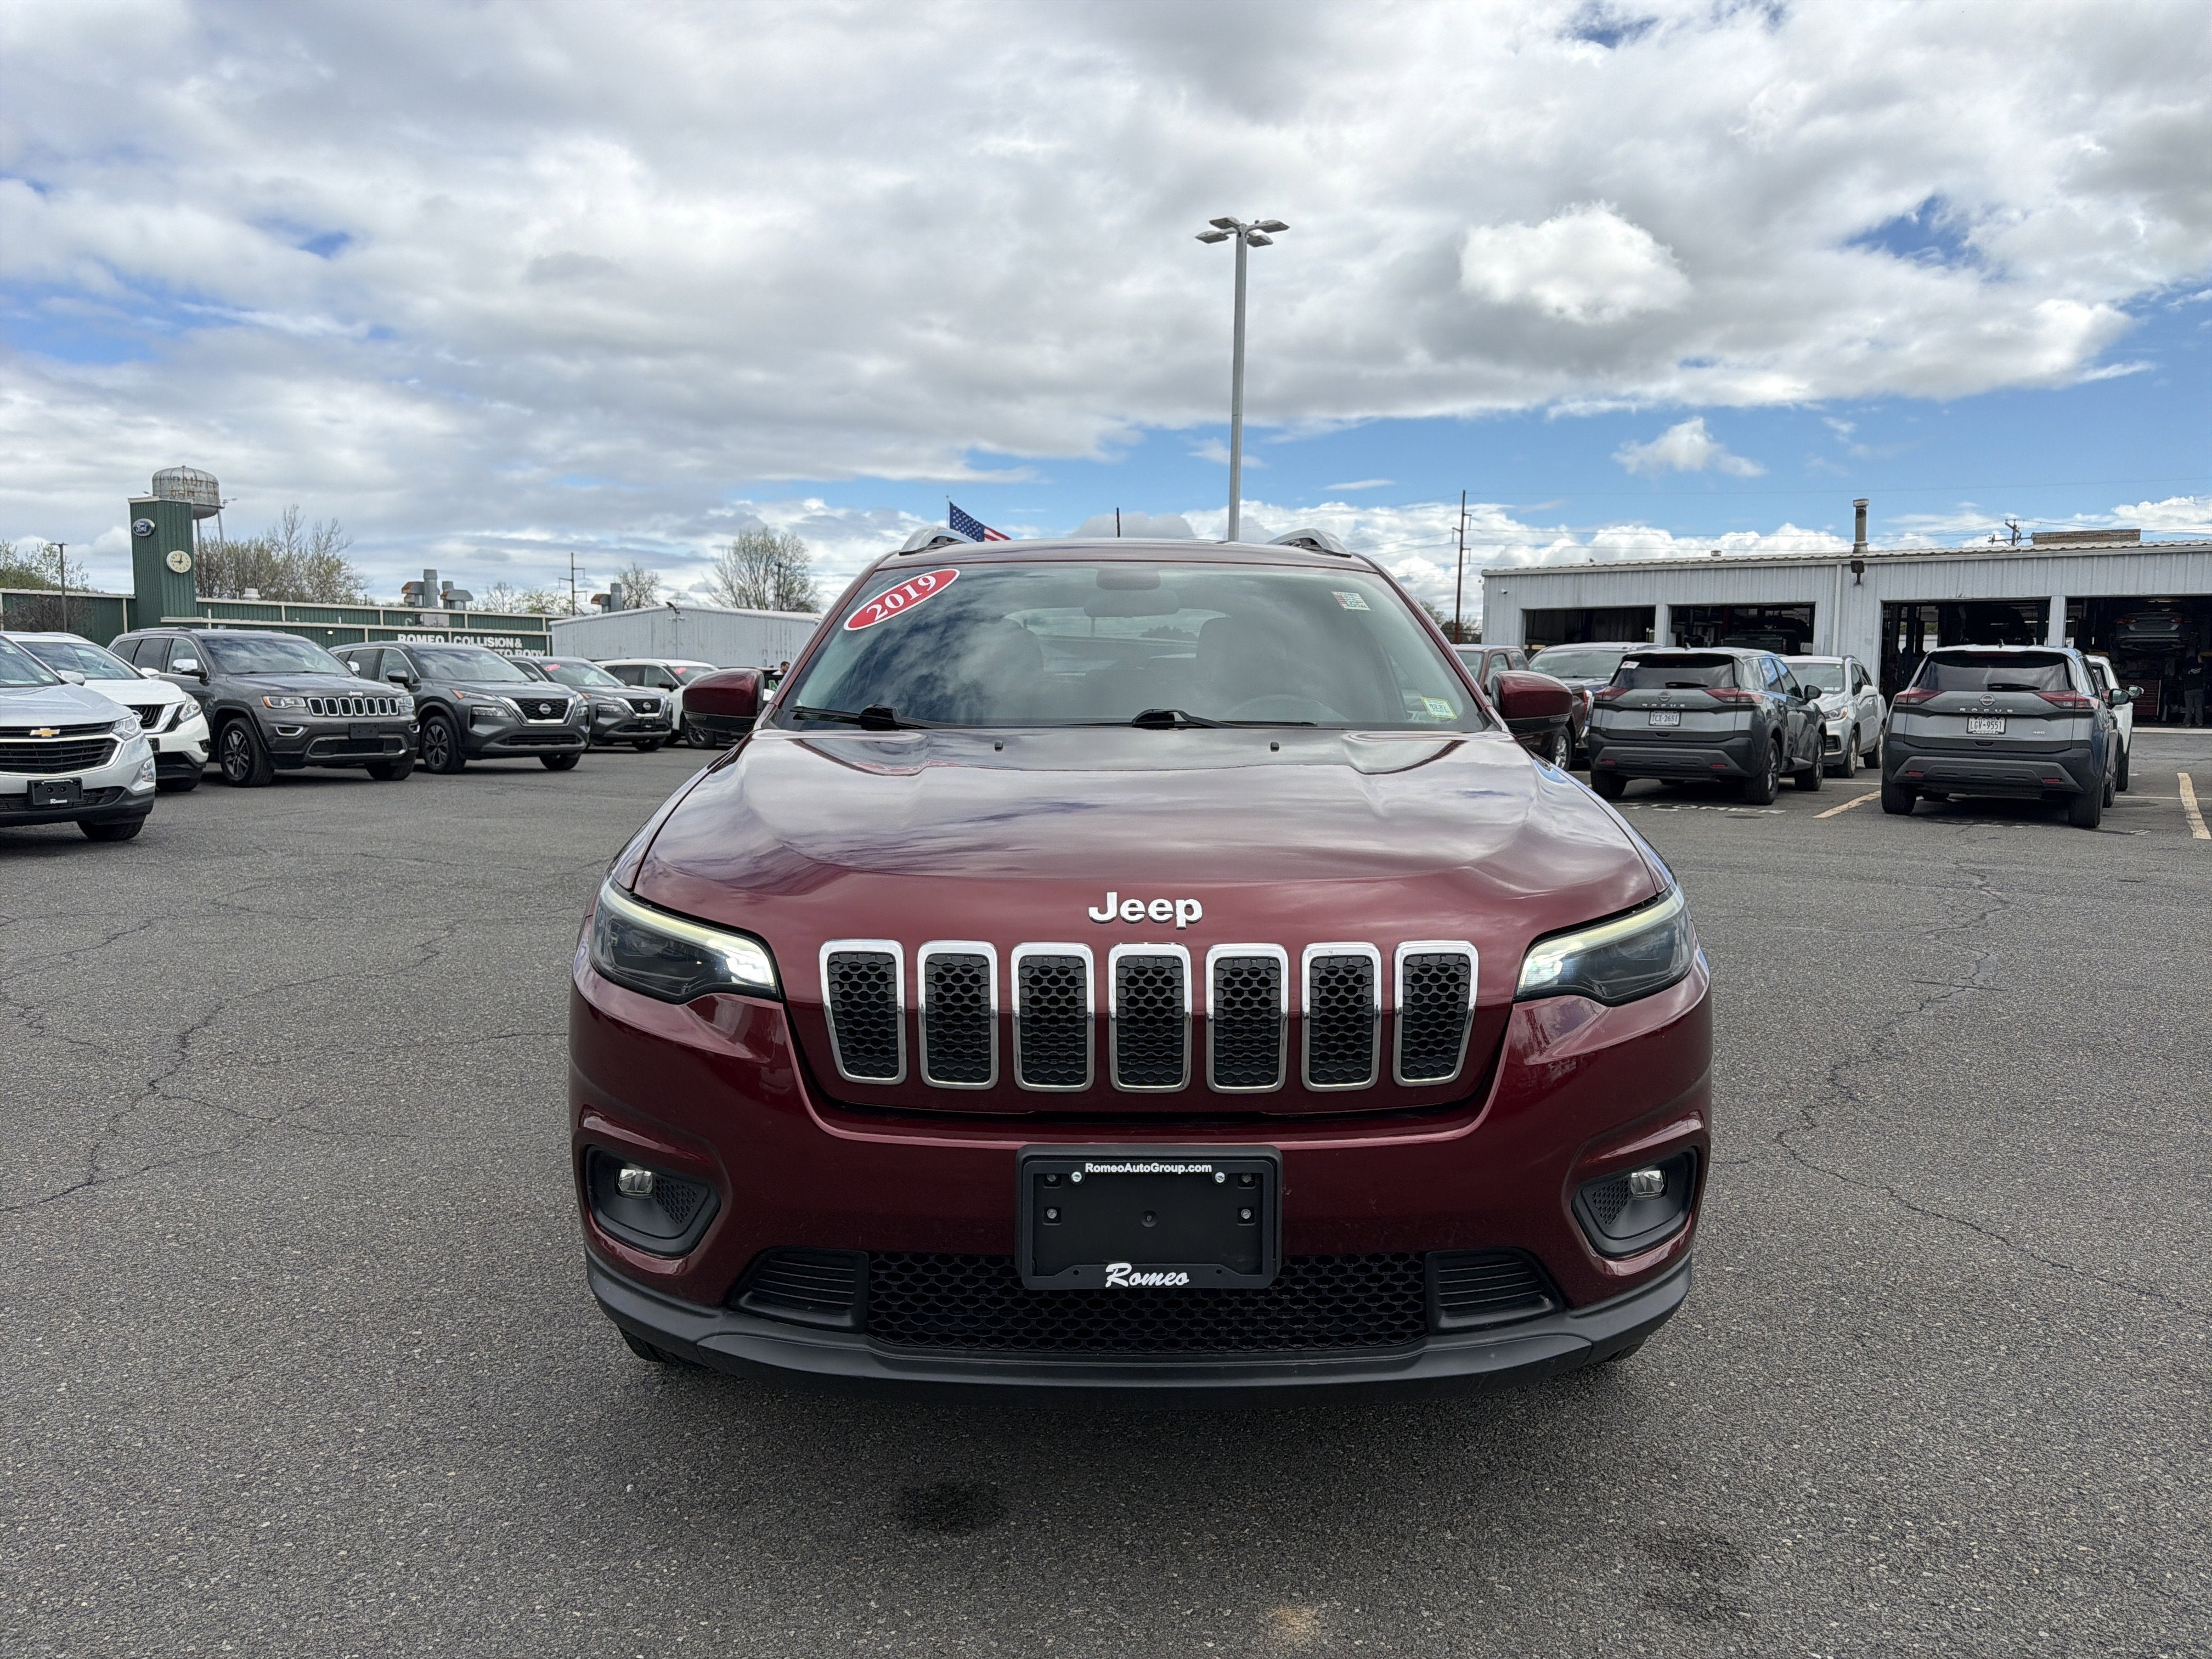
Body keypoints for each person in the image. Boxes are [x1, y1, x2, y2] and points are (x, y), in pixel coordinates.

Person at [2182, 653, 2207, 727]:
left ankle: (2187, 723)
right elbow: (2201, 663)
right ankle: (2199, 723)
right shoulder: (2200, 668)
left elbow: (2181, 678)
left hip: (2189, 691)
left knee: (2189, 708)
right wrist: (2199, 656)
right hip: (2199, 690)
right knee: (2199, 707)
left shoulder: (2185, 670)